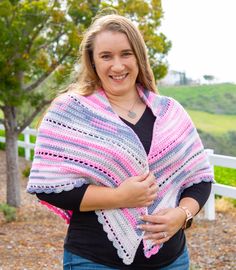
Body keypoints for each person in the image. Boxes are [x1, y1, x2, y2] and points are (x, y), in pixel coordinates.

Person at [27, 10, 214, 270]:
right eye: (106, 56)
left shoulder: (170, 112)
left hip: (171, 260)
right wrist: (119, 197)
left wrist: (182, 215)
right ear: (93, 62)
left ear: (139, 57)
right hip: (94, 260)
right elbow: (48, 186)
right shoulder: (69, 112)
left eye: (126, 54)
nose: (117, 65)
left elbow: (200, 179)